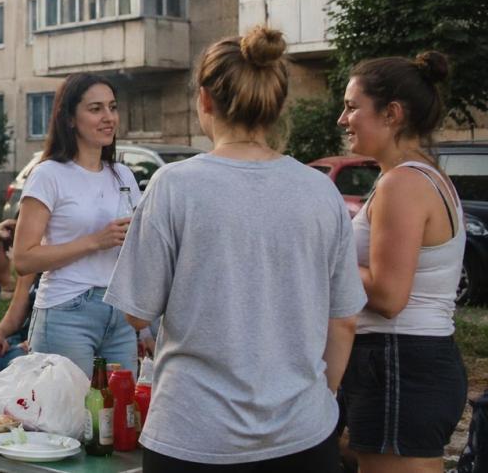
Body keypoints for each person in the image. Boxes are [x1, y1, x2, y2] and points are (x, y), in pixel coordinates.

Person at [104, 26, 366, 471]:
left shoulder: (174, 186)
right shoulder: (319, 191)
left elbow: (136, 313)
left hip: (193, 433)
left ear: (204, 99)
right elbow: (343, 320)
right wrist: (324, 397)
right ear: (277, 103)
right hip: (303, 433)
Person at [337, 52, 467, 473]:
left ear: (392, 113)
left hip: (399, 362)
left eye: (352, 106)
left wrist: (324, 261)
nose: (342, 119)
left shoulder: (403, 183)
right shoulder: (417, 175)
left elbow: (390, 296)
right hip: (404, 362)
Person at [12, 73, 142, 376]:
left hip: (119, 312)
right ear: (69, 118)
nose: (108, 117)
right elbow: (23, 259)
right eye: (96, 109)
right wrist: (95, 241)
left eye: (112, 107)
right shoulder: (49, 174)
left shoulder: (123, 176)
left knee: (120, 416)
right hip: (67, 310)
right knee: (68, 419)